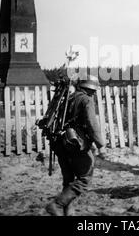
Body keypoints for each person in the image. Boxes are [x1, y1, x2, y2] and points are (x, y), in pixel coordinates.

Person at [46, 76, 107, 216]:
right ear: (90, 89)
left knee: (69, 180)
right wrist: (100, 145)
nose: (94, 93)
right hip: (75, 144)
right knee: (84, 179)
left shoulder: (69, 98)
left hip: (60, 143)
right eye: (94, 90)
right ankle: (56, 205)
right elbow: (92, 124)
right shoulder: (86, 100)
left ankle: (69, 212)